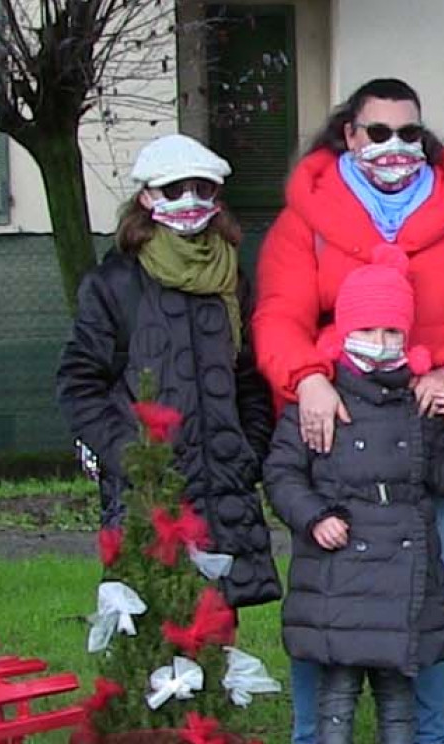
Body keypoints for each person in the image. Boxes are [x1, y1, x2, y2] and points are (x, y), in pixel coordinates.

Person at [254, 77, 444, 744]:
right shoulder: (305, 223)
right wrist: (308, 378)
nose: (395, 146)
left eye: (409, 132)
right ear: (350, 135)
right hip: (336, 439)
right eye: (378, 132)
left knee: (431, 592)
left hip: (427, 436)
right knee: (326, 597)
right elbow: (277, 314)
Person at [265, 246, 444, 744]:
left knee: (399, 682)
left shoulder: (418, 402)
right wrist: (314, 516)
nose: (381, 341)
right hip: (339, 563)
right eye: (368, 330)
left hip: (405, 564)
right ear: (345, 330)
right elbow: (283, 473)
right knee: (337, 685)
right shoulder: (316, 401)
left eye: (392, 331)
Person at [57, 133, 280, 608]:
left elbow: (248, 379)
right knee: (153, 632)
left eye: (202, 188)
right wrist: (131, 457)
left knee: (218, 628)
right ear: (146, 197)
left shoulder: (231, 278)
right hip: (150, 492)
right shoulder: (113, 283)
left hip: (223, 490)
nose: (189, 200)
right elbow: (80, 384)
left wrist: (249, 451)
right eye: (174, 189)